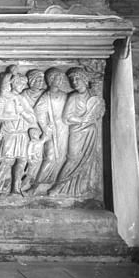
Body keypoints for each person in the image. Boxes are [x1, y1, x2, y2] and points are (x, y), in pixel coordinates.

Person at [49, 69, 105, 197]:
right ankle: (58, 186)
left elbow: (100, 111)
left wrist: (95, 115)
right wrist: (81, 120)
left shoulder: (93, 95)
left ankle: (81, 188)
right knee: (72, 159)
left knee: (88, 159)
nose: (74, 82)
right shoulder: (73, 97)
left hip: (90, 131)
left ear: (84, 79)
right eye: (72, 80)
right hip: (76, 132)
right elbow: (66, 117)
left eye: (77, 79)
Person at [0, 70, 37, 194]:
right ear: (12, 83)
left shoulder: (22, 99)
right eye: (19, 83)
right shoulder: (2, 98)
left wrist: (22, 112)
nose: (22, 86)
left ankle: (15, 188)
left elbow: (32, 119)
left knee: (22, 161)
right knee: (7, 161)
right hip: (9, 134)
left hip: (22, 134)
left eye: (23, 84)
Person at [33, 68, 70, 192]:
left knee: (61, 157)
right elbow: (39, 112)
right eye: (57, 78)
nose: (59, 81)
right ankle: (35, 185)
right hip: (52, 130)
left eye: (61, 79)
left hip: (63, 129)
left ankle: (54, 183)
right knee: (49, 157)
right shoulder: (46, 96)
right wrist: (45, 127)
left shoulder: (64, 95)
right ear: (50, 80)